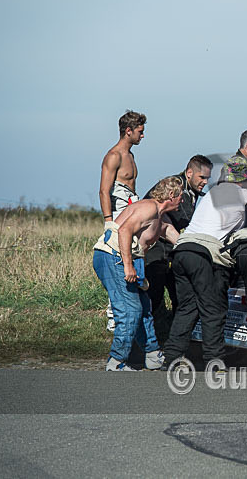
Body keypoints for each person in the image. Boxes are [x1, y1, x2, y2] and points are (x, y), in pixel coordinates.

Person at [163, 159, 247, 368]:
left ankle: (170, 357)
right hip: (204, 254)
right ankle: (214, 361)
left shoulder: (213, 193)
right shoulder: (242, 194)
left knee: (187, 309)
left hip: (181, 250)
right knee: (213, 310)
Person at [92, 176, 183, 371]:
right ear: (171, 195)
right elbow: (124, 231)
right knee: (130, 309)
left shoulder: (160, 218)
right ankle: (116, 361)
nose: (182, 201)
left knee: (144, 307)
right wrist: (128, 266)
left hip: (130, 259)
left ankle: (152, 355)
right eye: (180, 196)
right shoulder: (148, 207)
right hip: (113, 256)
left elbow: (177, 239)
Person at [143, 155, 213, 342]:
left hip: (177, 251)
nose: (205, 183)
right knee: (153, 297)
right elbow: (155, 212)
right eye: (202, 178)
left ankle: (176, 340)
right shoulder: (172, 186)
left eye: (208, 178)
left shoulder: (198, 194)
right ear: (189, 173)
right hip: (157, 249)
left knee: (181, 297)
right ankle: (150, 342)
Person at [99, 110, 147, 331]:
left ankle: (128, 305)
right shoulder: (114, 155)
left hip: (131, 206)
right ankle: (113, 315)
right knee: (118, 257)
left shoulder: (131, 155)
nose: (142, 136)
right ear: (128, 131)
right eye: (140, 131)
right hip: (118, 210)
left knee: (135, 253)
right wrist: (109, 222)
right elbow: (103, 191)